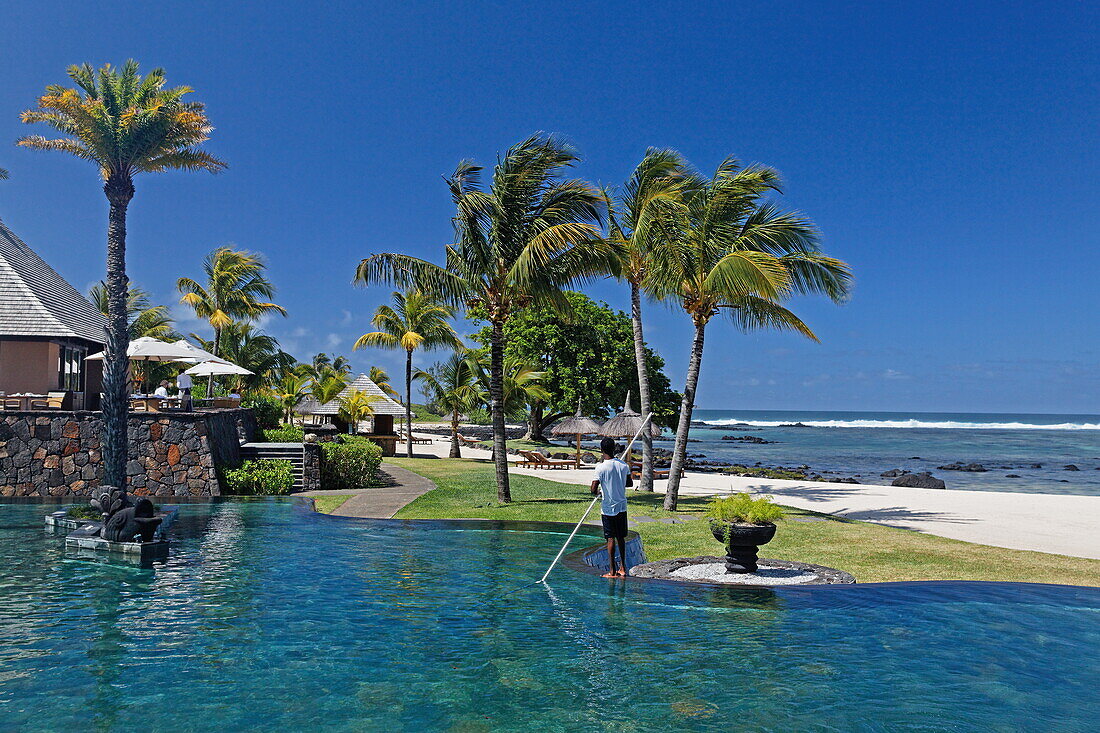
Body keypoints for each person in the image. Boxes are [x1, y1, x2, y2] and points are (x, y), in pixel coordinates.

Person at [591, 436, 633, 578]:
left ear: (602, 450)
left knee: (610, 539)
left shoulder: (600, 467)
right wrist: (618, 482)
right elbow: (629, 484)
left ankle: (612, 571)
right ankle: (622, 568)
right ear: (614, 449)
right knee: (621, 538)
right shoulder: (623, 466)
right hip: (622, 507)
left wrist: (598, 491)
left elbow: (593, 488)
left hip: (608, 508)